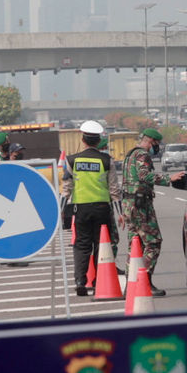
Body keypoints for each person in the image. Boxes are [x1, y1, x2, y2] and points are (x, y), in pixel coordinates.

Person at [121, 128, 186, 297]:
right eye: (156, 144)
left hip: (129, 203)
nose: (156, 147)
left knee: (135, 245)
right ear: (151, 141)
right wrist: (168, 179)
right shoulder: (143, 155)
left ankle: (131, 284)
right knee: (153, 242)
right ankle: (144, 281)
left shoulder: (130, 155)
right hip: (140, 205)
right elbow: (144, 176)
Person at [63, 121, 121, 297]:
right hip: (103, 209)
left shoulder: (72, 160)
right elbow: (114, 189)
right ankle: (97, 281)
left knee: (81, 245)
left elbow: (66, 188)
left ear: (83, 139)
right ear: (98, 141)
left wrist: (60, 210)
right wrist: (120, 213)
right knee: (101, 244)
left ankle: (80, 281)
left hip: (81, 209)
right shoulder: (106, 160)